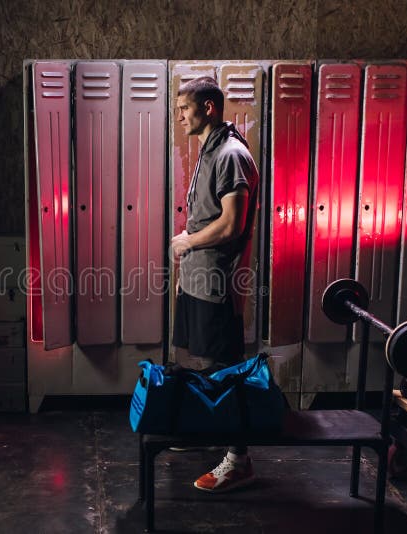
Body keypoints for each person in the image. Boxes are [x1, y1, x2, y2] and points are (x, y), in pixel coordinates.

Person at [170, 76, 259, 493]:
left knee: (224, 369)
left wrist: (187, 241)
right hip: (197, 280)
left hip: (216, 284)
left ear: (208, 107)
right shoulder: (209, 149)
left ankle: (238, 460)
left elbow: (230, 224)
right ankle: (211, 432)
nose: (179, 115)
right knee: (201, 363)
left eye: (184, 107)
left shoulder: (230, 154)